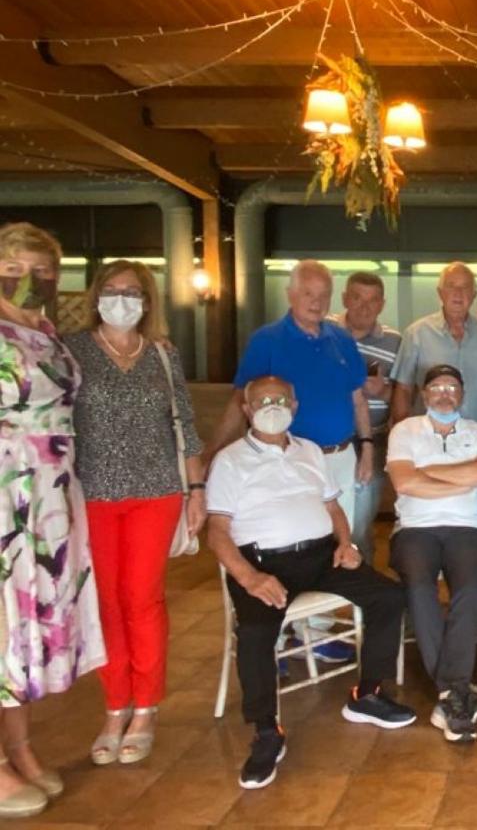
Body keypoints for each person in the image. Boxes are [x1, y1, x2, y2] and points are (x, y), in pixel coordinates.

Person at [205, 376, 415, 789]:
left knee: (389, 597)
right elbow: (216, 531)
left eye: (281, 399)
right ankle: (267, 731)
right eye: (262, 400)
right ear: (247, 410)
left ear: (294, 405)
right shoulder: (230, 460)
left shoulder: (309, 451)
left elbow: (332, 506)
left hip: (321, 555)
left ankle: (368, 694)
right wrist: (249, 577)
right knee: (255, 632)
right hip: (262, 562)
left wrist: (345, 543)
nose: (272, 405)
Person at [65, 260, 204, 768]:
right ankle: (114, 705)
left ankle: (145, 707)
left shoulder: (163, 355)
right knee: (105, 602)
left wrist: (196, 489)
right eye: (112, 290)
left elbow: (183, 424)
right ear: (96, 294)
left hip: (157, 492)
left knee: (142, 598)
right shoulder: (72, 351)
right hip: (94, 493)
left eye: (132, 291)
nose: (121, 299)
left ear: (148, 300)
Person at [206, 259, 373, 664]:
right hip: (279, 460)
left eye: (322, 296)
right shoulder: (268, 340)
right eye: (307, 294)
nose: (316, 303)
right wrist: (214, 451)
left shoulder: (340, 339)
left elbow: (357, 397)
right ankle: (274, 639)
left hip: (337, 456)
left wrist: (367, 445)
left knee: (334, 544)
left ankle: (315, 630)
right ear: (291, 295)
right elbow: (240, 398)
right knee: (281, 544)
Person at [0, 222, 105, 818]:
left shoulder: (45, 333)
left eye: (41, 271)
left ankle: (20, 746)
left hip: (51, 491)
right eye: (13, 269)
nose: (28, 281)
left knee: (26, 628)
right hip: (5, 489)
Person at [386, 365, 477, 742]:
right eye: (437, 387)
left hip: (467, 528)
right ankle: (455, 690)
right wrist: (457, 477)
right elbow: (403, 481)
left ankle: (450, 691)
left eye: (452, 387)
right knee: (419, 589)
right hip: (415, 530)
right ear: (424, 392)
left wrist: (428, 474)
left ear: (462, 394)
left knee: (470, 588)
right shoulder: (405, 430)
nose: (445, 394)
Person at [329, 271, 402, 563]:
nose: (364, 306)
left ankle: (365, 596)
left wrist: (382, 391)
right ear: (345, 298)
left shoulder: (394, 341)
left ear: (382, 304)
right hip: (327, 439)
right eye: (357, 298)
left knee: (359, 525)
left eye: (372, 300)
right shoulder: (325, 331)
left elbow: (404, 394)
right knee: (319, 521)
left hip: (373, 438)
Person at [392, 261, 477, 425]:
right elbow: (403, 389)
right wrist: (401, 434)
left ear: (474, 294)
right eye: (451, 286)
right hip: (429, 437)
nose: (458, 293)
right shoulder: (416, 333)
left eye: (465, 287)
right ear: (440, 293)